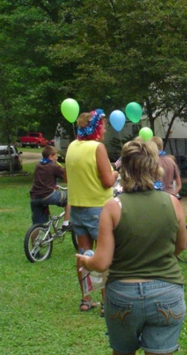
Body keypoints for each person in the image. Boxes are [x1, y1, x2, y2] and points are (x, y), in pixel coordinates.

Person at [76, 139, 187, 355]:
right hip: (167, 292)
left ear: (124, 168)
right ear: (155, 167)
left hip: (123, 295)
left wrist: (85, 260)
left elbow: (101, 263)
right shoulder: (172, 202)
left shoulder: (113, 207)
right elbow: (181, 245)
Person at [65, 109, 119, 312]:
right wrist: (114, 172)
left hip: (77, 207)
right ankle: (106, 301)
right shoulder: (97, 148)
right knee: (104, 252)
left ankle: (86, 299)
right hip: (98, 208)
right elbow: (107, 182)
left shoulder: (71, 146)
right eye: (103, 125)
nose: (105, 129)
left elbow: (68, 178)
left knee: (83, 253)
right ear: (96, 127)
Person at [30, 145, 71, 229]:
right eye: (55, 156)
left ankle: (34, 241)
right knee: (70, 198)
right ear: (50, 156)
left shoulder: (38, 165)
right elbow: (67, 178)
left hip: (34, 196)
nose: (56, 158)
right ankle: (66, 224)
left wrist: (52, 186)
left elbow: (44, 179)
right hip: (47, 195)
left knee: (37, 224)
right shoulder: (54, 167)